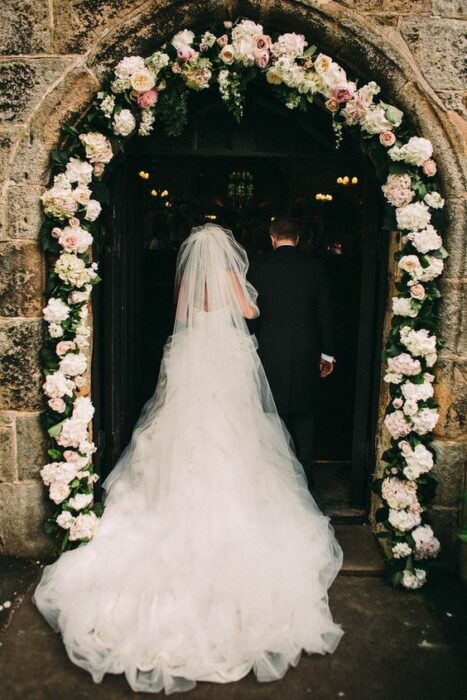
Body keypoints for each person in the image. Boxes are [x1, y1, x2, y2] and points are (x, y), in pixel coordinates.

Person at [33, 224, 343, 695]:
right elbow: (249, 310)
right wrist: (246, 303)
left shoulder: (186, 281)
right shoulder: (228, 275)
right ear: (226, 253)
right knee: (238, 433)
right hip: (228, 359)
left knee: (182, 432)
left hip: (193, 355)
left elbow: (179, 318)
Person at [248, 217, 336, 486]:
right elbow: (326, 312)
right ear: (298, 238)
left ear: (272, 238)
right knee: (305, 414)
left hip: (268, 348)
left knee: (270, 412)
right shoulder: (315, 267)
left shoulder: (258, 267)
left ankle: (273, 478)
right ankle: (304, 478)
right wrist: (327, 354)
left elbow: (251, 315)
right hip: (305, 348)